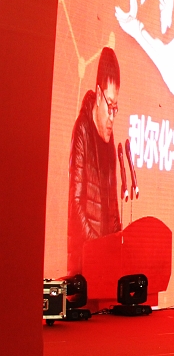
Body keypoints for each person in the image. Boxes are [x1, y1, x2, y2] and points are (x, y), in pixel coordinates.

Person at [67, 47, 123, 275]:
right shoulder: (82, 129)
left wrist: (120, 242)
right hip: (84, 265)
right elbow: (76, 206)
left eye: (116, 108)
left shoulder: (110, 140)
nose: (112, 117)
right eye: (109, 105)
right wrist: (100, 250)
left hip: (104, 266)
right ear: (99, 95)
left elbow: (113, 209)